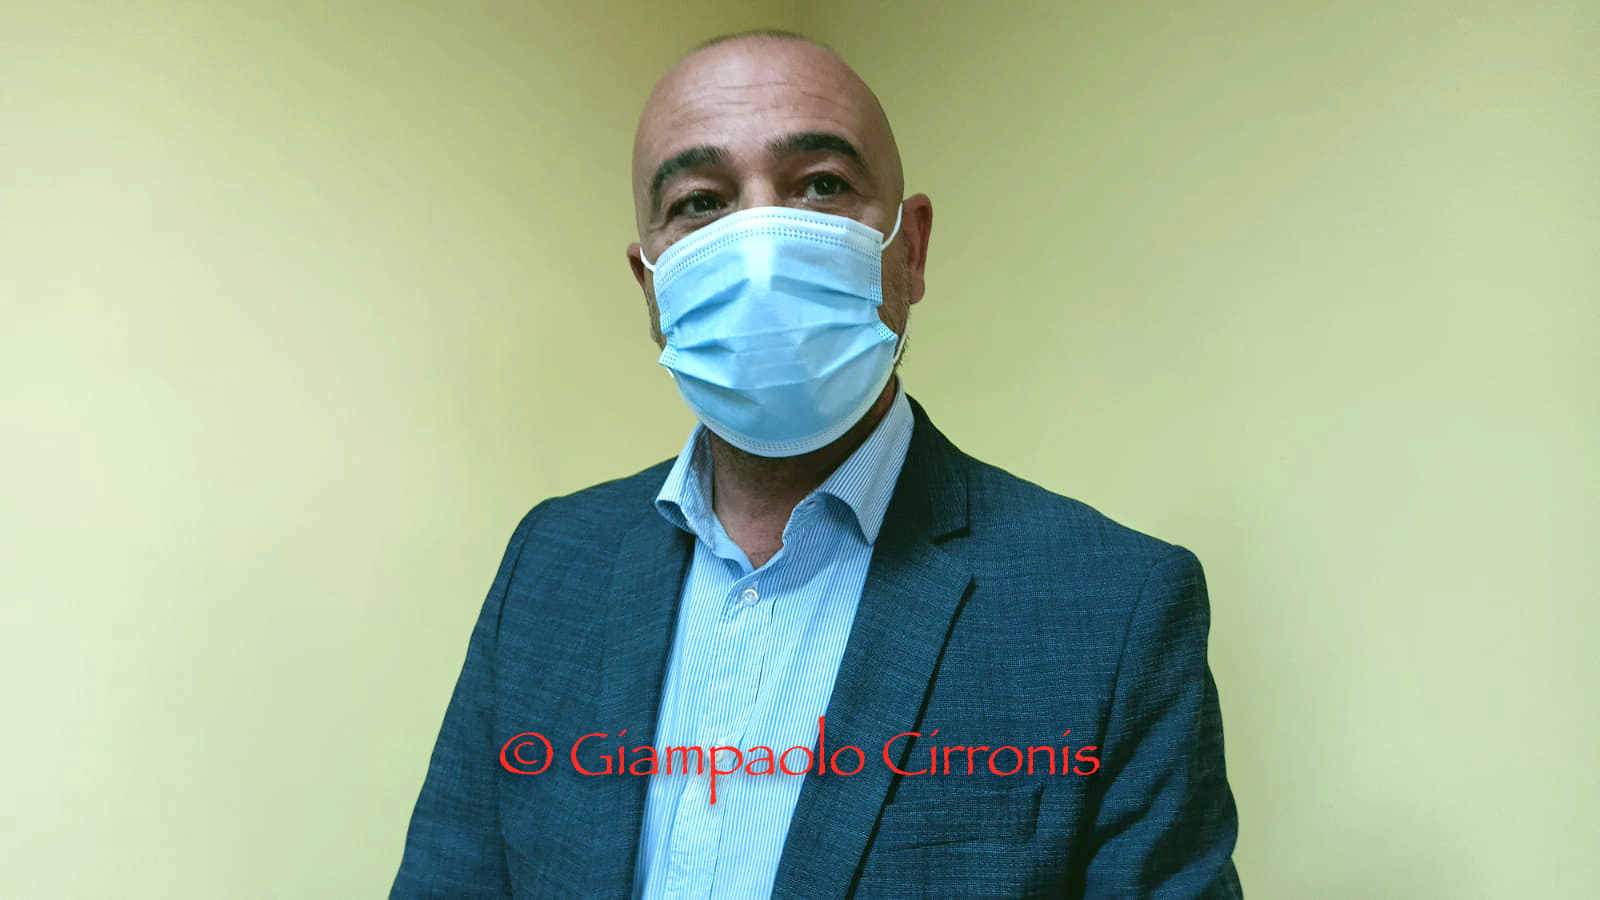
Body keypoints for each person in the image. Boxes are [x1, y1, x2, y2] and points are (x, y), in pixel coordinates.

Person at [391, 29, 1241, 899]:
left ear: (910, 251)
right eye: (699, 201)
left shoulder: (1113, 610)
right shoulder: (549, 566)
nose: (759, 246)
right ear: (651, 285)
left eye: (822, 185)